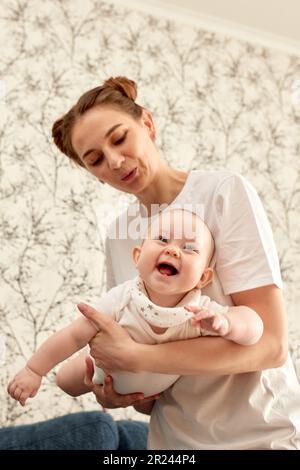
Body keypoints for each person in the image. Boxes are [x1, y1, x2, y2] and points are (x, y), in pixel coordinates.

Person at [1, 75, 299, 450]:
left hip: (260, 432)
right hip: (173, 443)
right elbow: (148, 377)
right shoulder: (120, 235)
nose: (114, 160)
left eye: (119, 138)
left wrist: (135, 355)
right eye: (94, 159)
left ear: (147, 123)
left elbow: (270, 347)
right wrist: (117, 392)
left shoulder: (222, 193)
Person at [7, 208, 263, 407]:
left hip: (149, 392)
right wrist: (34, 370)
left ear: (203, 278)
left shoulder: (201, 313)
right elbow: (73, 334)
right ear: (137, 256)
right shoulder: (122, 298)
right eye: (162, 239)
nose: (173, 250)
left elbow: (255, 327)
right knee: (66, 380)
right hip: (104, 369)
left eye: (189, 248)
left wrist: (227, 324)